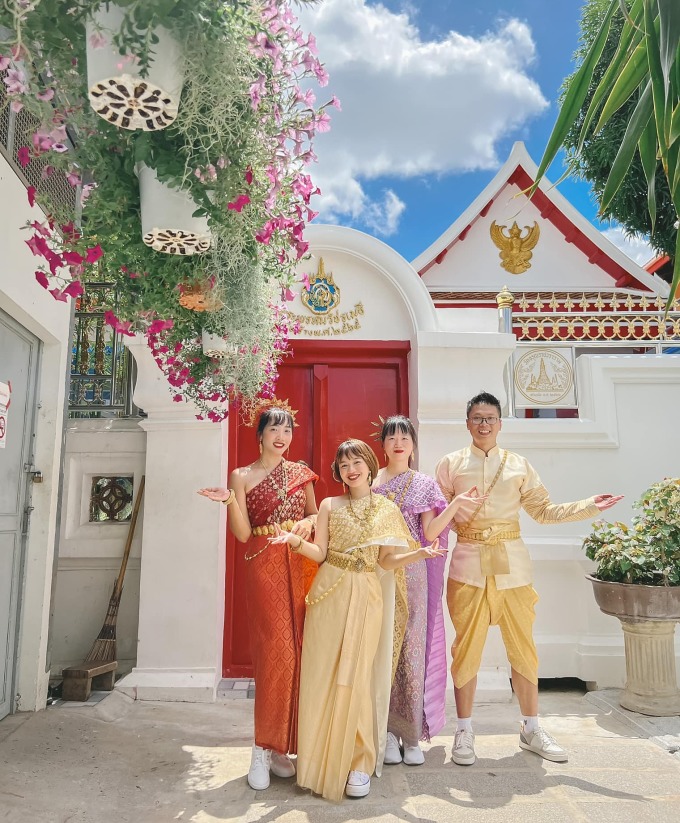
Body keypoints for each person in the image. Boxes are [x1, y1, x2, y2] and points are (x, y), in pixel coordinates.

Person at [435, 391, 623, 767]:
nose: (484, 424)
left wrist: (587, 506)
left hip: (513, 568)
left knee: (523, 648)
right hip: (468, 565)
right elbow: (436, 520)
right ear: (468, 423)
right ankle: (464, 730)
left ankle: (532, 727)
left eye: (490, 418)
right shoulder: (451, 464)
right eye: (477, 418)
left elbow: (544, 511)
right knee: (466, 651)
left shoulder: (519, 464)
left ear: (501, 424)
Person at [269, 439, 445, 800]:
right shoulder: (330, 505)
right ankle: (318, 759)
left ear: (368, 463)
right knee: (323, 676)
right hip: (329, 592)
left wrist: (420, 554)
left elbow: (386, 562)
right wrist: (294, 541)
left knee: (360, 676)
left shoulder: (386, 507)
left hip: (367, 593)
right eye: (344, 464)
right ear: (338, 471)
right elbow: (319, 552)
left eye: (357, 462)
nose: (351, 469)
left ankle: (359, 763)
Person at [197, 402, 318, 791]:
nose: (282, 437)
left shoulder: (302, 474)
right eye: (275, 430)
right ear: (260, 434)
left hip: (300, 561)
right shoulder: (242, 475)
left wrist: (306, 522)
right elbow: (244, 534)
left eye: (288, 431)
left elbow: (318, 516)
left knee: (302, 653)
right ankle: (260, 748)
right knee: (275, 654)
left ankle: (285, 748)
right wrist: (230, 501)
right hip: (264, 565)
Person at [372, 415, 486, 766]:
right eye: (391, 437)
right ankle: (386, 732)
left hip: (416, 572)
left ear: (413, 443)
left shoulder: (422, 484)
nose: (398, 443)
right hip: (382, 572)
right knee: (384, 649)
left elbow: (432, 532)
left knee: (412, 650)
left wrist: (452, 505)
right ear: (383, 444)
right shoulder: (371, 482)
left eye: (404, 436)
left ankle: (410, 734)